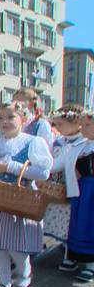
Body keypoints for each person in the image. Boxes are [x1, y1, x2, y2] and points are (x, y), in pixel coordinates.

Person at [0, 102, 52, 287]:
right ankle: (4, 282)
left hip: (22, 201)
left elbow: (44, 172)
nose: (5, 121)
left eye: (10, 117)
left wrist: (12, 167)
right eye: (1, 117)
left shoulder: (32, 142)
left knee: (17, 244)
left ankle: (24, 274)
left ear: (23, 119)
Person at [50, 107, 94, 282]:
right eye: (82, 124)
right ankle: (74, 257)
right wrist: (34, 168)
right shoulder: (77, 146)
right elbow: (56, 164)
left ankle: (91, 265)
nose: (83, 128)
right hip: (81, 191)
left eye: (88, 125)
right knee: (79, 223)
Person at [44, 104, 84, 271]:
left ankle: (71, 253)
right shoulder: (59, 141)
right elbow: (53, 161)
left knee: (71, 221)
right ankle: (65, 246)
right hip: (58, 186)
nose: (57, 128)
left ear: (76, 123)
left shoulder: (84, 141)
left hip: (77, 186)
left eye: (61, 124)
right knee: (60, 218)